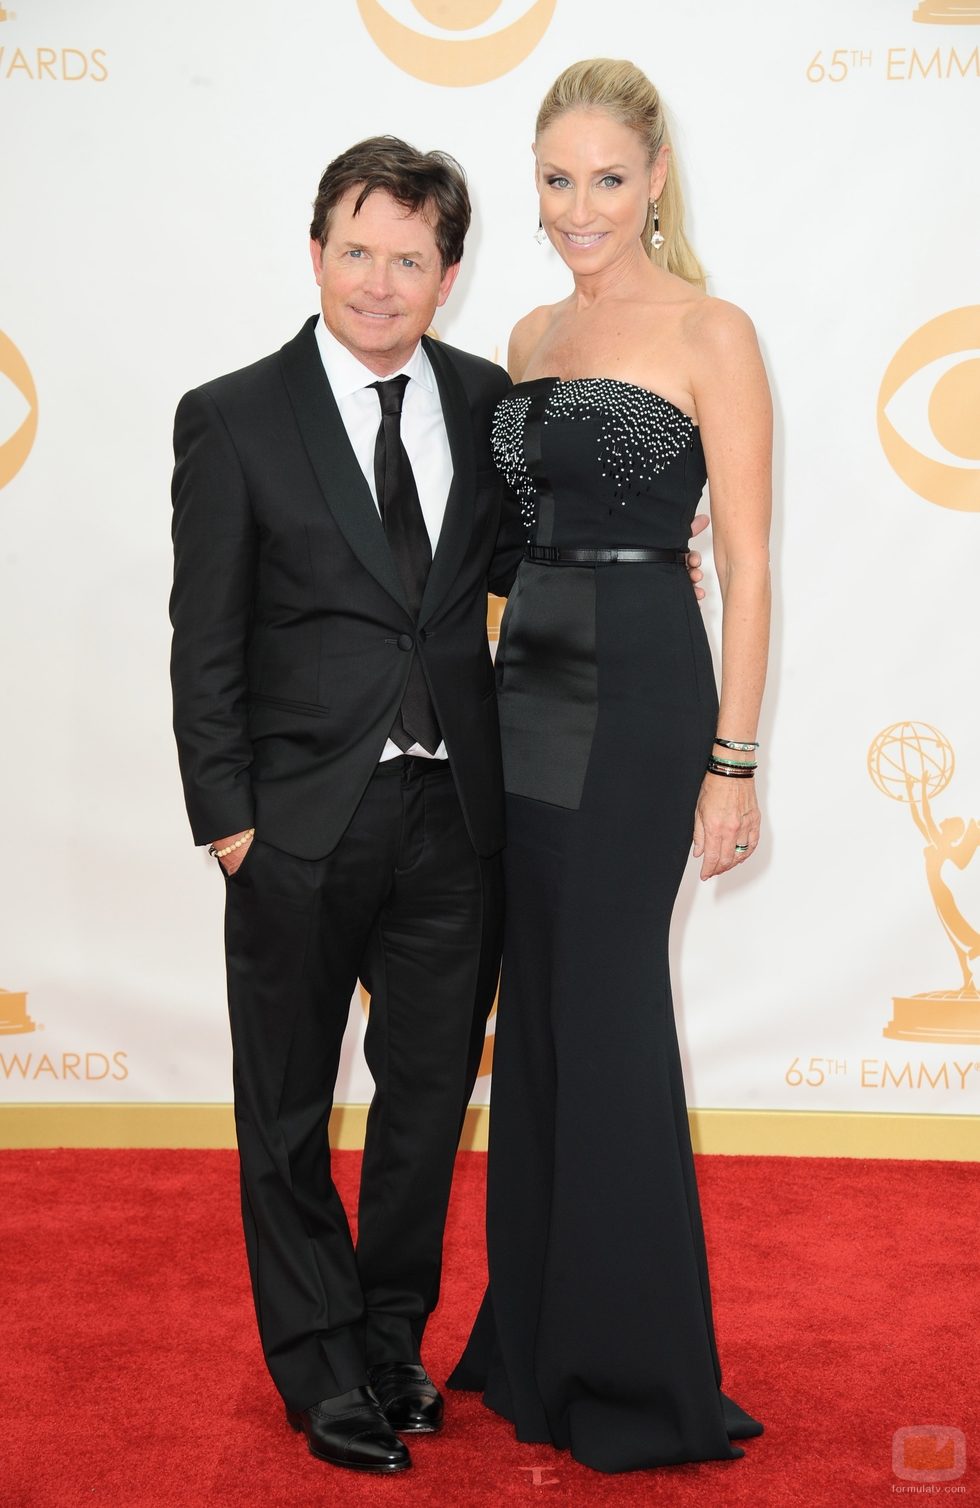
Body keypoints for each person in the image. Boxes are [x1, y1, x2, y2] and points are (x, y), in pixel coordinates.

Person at [169, 129, 714, 1478]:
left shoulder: (488, 405)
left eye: (409, 258)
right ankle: (317, 1365)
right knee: (288, 1109)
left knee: (422, 1107)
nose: (378, 281)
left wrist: (657, 540)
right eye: (356, 250)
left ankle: (393, 1338)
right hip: (294, 824)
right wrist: (229, 820)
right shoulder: (232, 414)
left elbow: (551, 556)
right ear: (316, 253)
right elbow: (205, 640)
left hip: (460, 822)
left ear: (449, 274)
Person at [448, 59, 772, 1475]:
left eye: (608, 178)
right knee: (540, 1010)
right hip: (531, 685)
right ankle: (537, 1334)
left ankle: (635, 1369)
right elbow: (516, 543)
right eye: (559, 177)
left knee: (612, 1001)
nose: (581, 205)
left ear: (655, 183)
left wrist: (733, 761)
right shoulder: (525, 332)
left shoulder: (711, 329)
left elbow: (750, 567)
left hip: (644, 680)